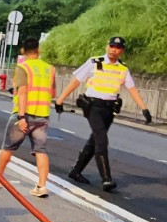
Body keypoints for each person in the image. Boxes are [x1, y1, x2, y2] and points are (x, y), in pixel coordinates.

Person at [54, 36, 153, 191]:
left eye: (118, 48)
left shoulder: (123, 69)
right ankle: (106, 179)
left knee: (95, 140)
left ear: (122, 51)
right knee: (102, 140)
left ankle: (76, 171)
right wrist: (60, 100)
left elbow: (132, 89)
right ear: (107, 47)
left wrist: (144, 108)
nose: (114, 50)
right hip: (93, 106)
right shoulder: (94, 62)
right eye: (112, 46)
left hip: (110, 109)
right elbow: (76, 81)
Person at [0, 37, 55, 197]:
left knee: (8, 147)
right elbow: (53, 92)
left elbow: (22, 92)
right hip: (42, 115)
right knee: (41, 150)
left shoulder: (23, 68)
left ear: (23, 50)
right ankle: (42, 186)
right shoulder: (50, 69)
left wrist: (21, 117)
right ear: (38, 50)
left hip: (24, 115)